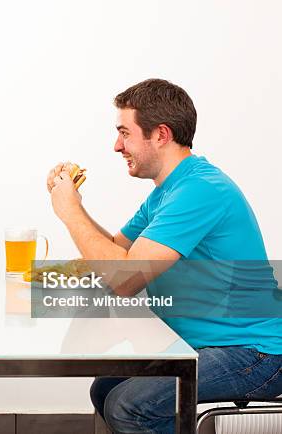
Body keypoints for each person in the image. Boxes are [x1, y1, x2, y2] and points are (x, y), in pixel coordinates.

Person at [47, 78, 282, 433]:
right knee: (106, 388)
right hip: (210, 345)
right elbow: (117, 250)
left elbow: (124, 279)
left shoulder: (199, 190)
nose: (116, 146)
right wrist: (75, 204)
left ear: (160, 134)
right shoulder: (166, 192)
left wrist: (69, 213)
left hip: (256, 352)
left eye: (124, 133)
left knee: (131, 406)